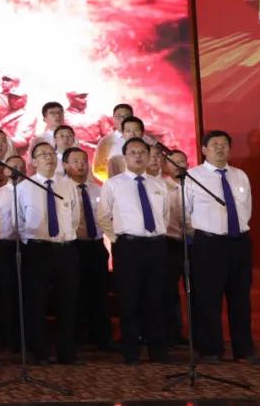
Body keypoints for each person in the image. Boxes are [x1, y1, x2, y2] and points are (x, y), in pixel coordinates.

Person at [185, 130, 260, 365]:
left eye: (224, 144)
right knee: (209, 298)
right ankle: (211, 349)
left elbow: (247, 208)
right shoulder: (192, 177)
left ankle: (244, 350)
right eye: (215, 144)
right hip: (209, 243)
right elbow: (184, 212)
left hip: (239, 241)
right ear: (204, 150)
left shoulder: (240, 175)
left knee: (240, 298)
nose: (220, 148)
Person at [100, 137, 170, 364]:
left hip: (156, 246)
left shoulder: (159, 184)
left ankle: (158, 351)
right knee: (129, 300)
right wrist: (117, 240)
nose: (138, 156)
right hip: (128, 246)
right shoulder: (113, 184)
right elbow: (103, 216)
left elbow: (165, 216)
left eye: (142, 152)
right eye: (133, 152)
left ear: (149, 156)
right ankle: (131, 352)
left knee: (156, 299)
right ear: (125, 157)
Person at [17, 141, 81, 365]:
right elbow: (19, 220)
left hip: (65, 249)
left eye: (51, 153)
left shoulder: (68, 185)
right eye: (42, 154)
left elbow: (74, 217)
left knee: (68, 300)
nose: (48, 157)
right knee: (37, 302)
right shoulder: (24, 187)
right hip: (38, 250)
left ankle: (67, 351)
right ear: (33, 162)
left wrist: (64, 237)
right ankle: (40, 351)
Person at [64, 146, 112, 351]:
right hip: (73, 246)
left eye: (84, 160)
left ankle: (102, 338)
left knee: (99, 292)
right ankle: (75, 340)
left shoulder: (97, 189)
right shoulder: (61, 190)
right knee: (74, 293)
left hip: (96, 245)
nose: (81, 165)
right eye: (75, 161)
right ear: (65, 165)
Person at [0, 159, 20, 353]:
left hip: (29, 247)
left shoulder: (32, 191)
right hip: (3, 248)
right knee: (5, 292)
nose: (17, 170)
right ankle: (7, 338)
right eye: (13, 167)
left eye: (21, 167)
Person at [162, 148, 191, 345]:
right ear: (166, 166)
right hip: (170, 243)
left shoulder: (195, 185)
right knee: (169, 289)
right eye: (174, 162)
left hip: (194, 242)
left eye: (182, 161)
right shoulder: (160, 187)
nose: (179, 165)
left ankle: (198, 333)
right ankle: (173, 332)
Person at [93, 104, 133, 180]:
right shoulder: (105, 142)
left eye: (127, 116)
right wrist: (114, 181)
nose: (123, 119)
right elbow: (98, 169)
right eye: (119, 116)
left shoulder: (143, 139)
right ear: (113, 119)